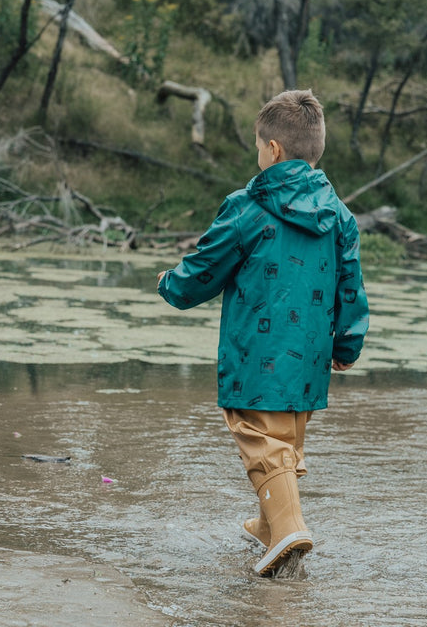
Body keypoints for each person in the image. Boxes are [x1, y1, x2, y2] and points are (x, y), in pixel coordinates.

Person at [157, 89, 369, 576]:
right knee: (286, 442)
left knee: (258, 435)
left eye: (258, 146)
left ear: (272, 150)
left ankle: (290, 526)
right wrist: (347, 344)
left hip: (257, 351)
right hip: (309, 359)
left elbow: (206, 267)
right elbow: (350, 284)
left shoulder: (247, 206)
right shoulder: (338, 215)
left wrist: (171, 285)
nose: (258, 155)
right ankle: (270, 527)